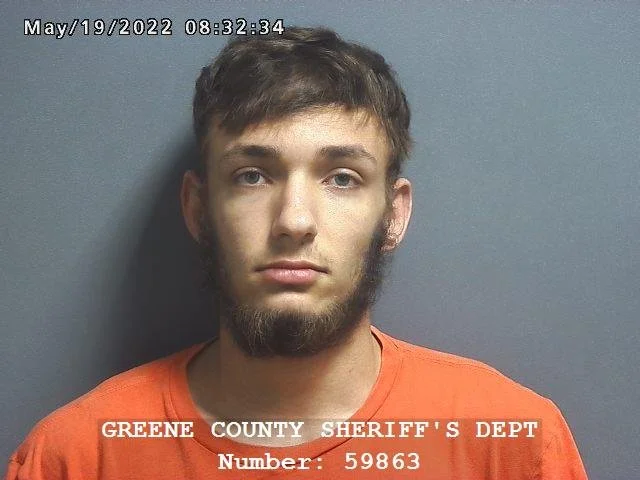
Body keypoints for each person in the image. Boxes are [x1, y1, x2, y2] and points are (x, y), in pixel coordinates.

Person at [5, 26, 588, 479]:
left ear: (393, 215)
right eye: (253, 175)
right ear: (198, 209)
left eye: (342, 178)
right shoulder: (75, 456)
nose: (294, 221)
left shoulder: (511, 445)